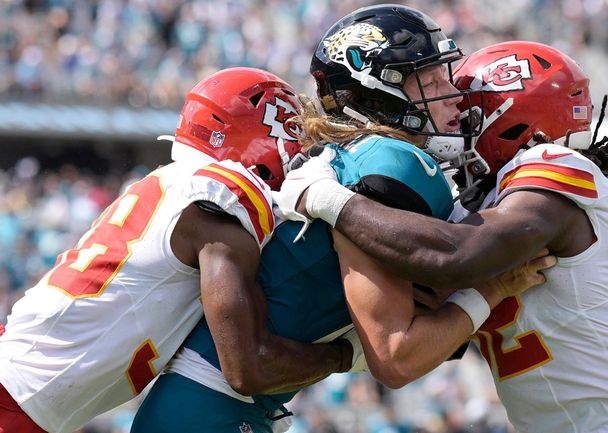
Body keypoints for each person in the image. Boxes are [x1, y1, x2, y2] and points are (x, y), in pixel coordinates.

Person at [129, 6, 554, 433]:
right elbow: (398, 354)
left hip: (207, 405)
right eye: (431, 80)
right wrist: (493, 287)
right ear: (378, 88)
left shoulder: (365, 156)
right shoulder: (394, 161)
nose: (454, 94)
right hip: (214, 408)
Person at [278, 41, 608, 433]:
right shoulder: (489, 201)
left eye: (468, 112)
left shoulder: (556, 167)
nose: (455, 118)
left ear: (507, 115)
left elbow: (458, 254)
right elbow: (416, 334)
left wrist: (329, 199)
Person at [0, 67, 359, 433]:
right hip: (16, 399)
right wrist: (345, 355)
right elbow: (246, 367)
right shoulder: (218, 199)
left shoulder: (170, 183)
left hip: (20, 388)